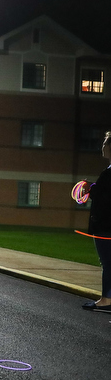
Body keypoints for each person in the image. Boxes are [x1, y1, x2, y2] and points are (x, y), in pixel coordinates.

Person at [81, 131, 111, 313]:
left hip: (106, 226)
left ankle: (106, 300)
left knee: (107, 262)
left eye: (105, 143)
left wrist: (90, 190)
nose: (102, 146)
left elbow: (105, 198)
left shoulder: (109, 173)